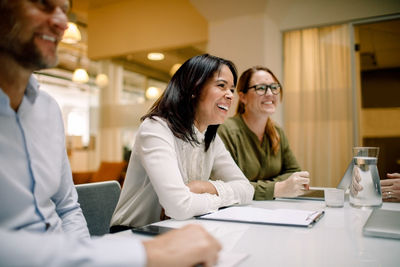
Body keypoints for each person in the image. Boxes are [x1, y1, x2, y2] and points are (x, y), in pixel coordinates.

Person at [0, 1, 221, 266]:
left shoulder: (47, 110)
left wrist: (87, 258)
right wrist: (145, 254)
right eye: (44, 4)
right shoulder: (156, 128)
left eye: (65, 9)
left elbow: (67, 208)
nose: (61, 22)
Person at [111, 54, 254, 228]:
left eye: (231, 89)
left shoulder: (210, 137)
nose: (230, 95)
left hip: (179, 229)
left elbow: (247, 189)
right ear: (194, 88)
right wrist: (220, 198)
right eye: (221, 86)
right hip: (133, 234)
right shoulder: (156, 128)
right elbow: (179, 206)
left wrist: (205, 187)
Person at [218, 66, 310, 200]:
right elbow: (229, 187)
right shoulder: (226, 131)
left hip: (274, 208)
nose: (270, 93)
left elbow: (294, 173)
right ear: (243, 97)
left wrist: (264, 187)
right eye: (261, 88)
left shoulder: (277, 132)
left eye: (274, 87)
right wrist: (279, 188)